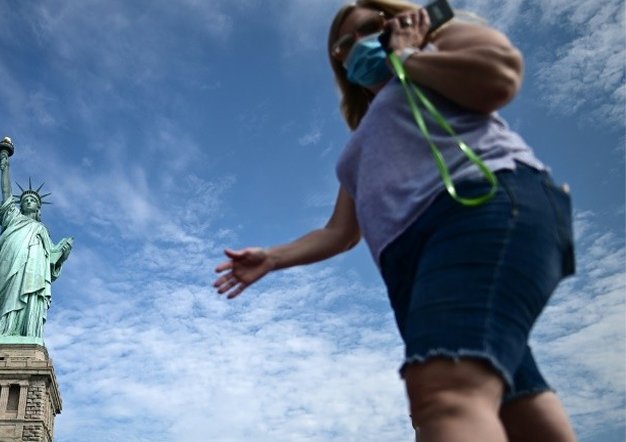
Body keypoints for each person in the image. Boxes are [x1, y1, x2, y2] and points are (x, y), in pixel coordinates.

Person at [213, 1, 577, 441]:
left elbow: (499, 77)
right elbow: (339, 232)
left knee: (443, 392)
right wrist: (272, 257)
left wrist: (406, 55)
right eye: (342, 44)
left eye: (369, 27)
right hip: (414, 270)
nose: (356, 44)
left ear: (395, 20)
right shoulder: (361, 139)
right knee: (518, 408)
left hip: (480, 208)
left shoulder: (438, 49)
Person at [0, 149, 73, 338]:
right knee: (8, 296)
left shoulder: (42, 230)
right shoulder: (13, 218)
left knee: (32, 295)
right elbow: (6, 193)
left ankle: (27, 332)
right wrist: (5, 167)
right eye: (26, 200)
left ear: (38, 207)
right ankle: (4, 330)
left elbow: (51, 260)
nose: (29, 201)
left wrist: (63, 253)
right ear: (20, 205)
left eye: (33, 200)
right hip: (11, 263)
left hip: (34, 269)